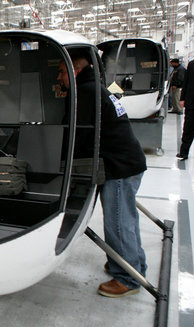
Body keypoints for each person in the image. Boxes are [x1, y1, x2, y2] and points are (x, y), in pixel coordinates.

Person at [57, 55, 147, 297]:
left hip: (119, 167)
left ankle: (127, 277)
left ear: (74, 70)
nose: (59, 77)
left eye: (62, 72)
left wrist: (58, 160)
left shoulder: (85, 92)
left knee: (118, 222)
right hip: (129, 162)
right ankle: (132, 264)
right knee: (127, 219)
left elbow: (80, 136)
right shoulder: (96, 88)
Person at [178, 42, 194, 160]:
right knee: (188, 127)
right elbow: (186, 82)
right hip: (192, 101)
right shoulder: (192, 64)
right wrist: (182, 98)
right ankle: (184, 152)